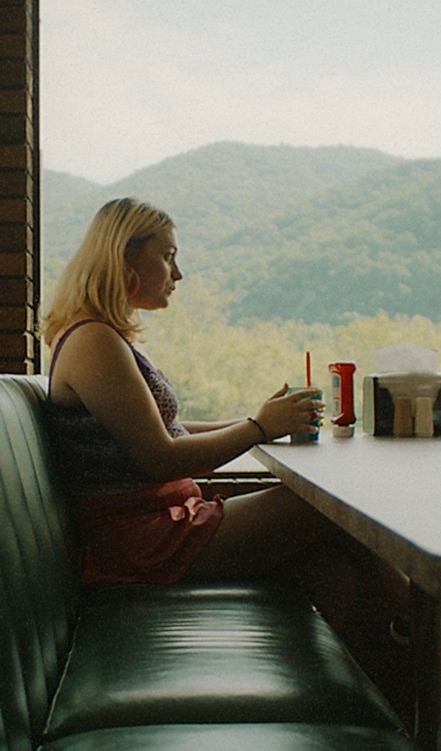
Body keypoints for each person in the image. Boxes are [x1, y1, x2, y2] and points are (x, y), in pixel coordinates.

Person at [41, 196, 336, 587]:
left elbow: (167, 430)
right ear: (124, 257)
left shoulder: (105, 336)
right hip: (141, 540)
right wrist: (258, 428)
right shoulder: (92, 340)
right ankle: (426, 628)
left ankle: (409, 634)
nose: (177, 274)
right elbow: (160, 458)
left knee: (332, 568)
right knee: (331, 507)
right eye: (167, 256)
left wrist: (264, 419)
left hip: (165, 524)